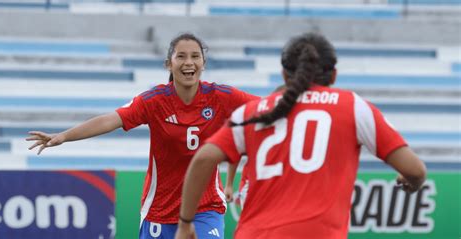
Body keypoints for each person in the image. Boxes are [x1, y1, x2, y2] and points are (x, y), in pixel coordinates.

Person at [175, 33, 427, 239]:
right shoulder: (352, 107)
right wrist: (411, 181)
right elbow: (415, 170)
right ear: (334, 75)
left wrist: (185, 223)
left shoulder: (251, 112)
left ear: (284, 75)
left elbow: (203, 159)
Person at [26, 33, 258, 239]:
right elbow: (111, 119)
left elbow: (264, 107)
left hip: (205, 208)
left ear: (203, 63)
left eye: (195, 56)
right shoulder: (154, 100)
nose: (189, 62)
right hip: (160, 210)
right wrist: (64, 136)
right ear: (169, 64)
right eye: (181, 56)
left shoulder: (220, 96)